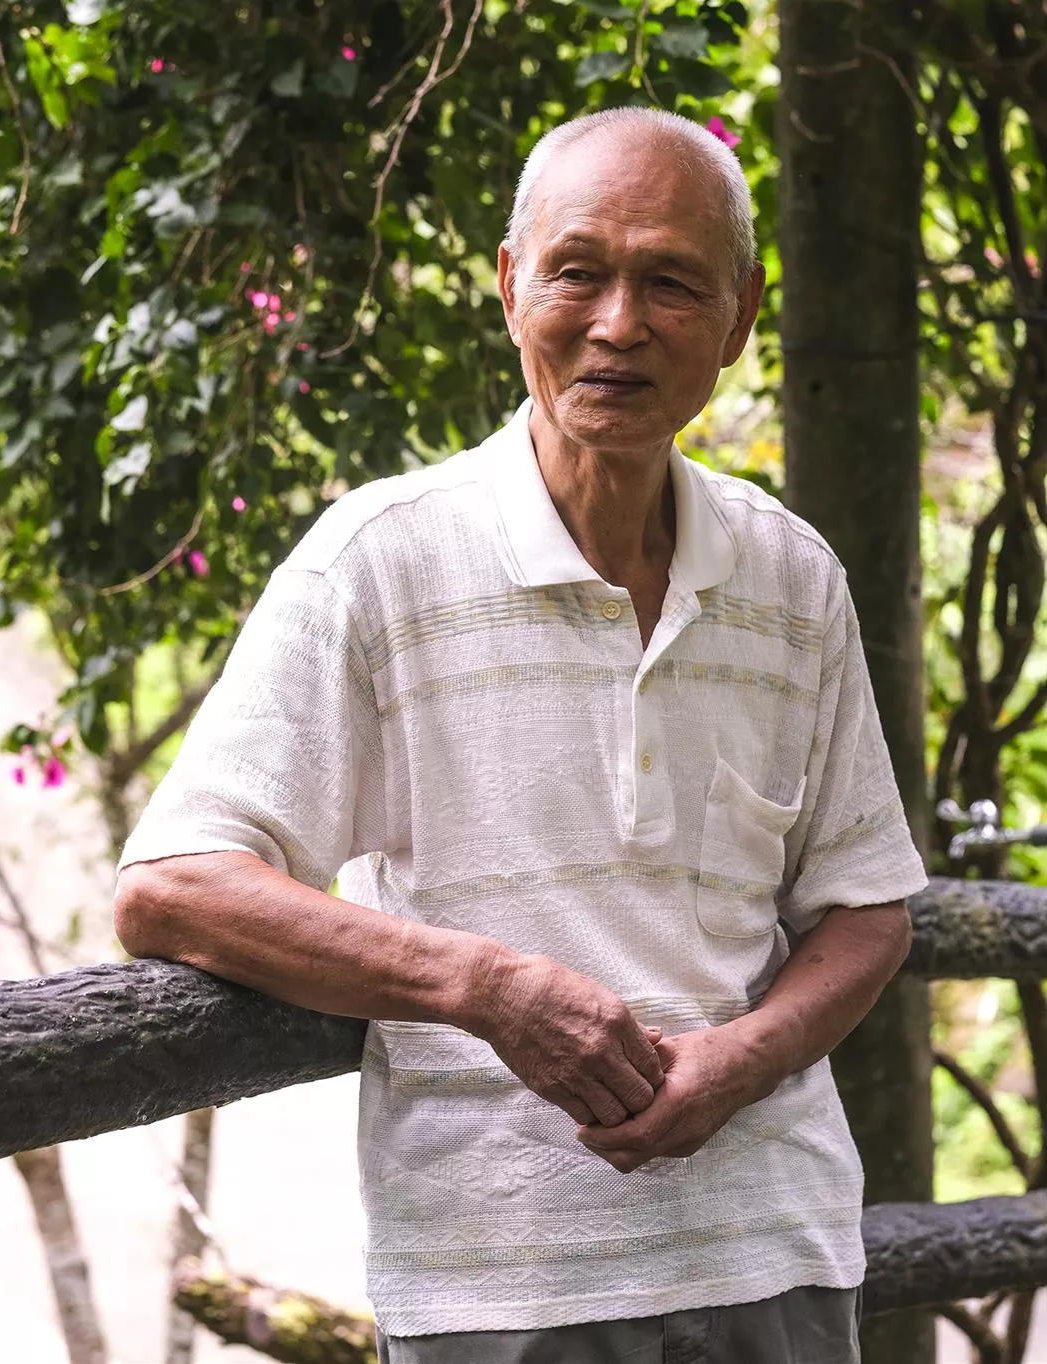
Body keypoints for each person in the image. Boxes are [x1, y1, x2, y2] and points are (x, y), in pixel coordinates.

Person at [114, 106, 928, 1364]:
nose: (618, 324)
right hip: (505, 1288)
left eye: (672, 283)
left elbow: (868, 909)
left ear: (741, 318)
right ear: (510, 287)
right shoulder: (379, 562)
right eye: (577, 272)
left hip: (779, 1257)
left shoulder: (792, 575)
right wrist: (487, 988)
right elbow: (172, 888)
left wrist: (740, 1061)